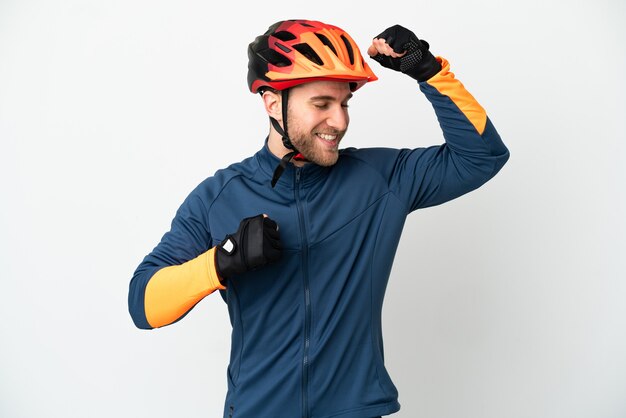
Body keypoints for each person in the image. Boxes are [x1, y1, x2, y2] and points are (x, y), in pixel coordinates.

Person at [128, 19, 509, 418]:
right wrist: (221, 261)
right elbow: (143, 304)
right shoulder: (219, 197)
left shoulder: (380, 178)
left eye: (344, 103)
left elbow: (482, 157)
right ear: (273, 102)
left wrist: (429, 72)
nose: (340, 121)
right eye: (321, 104)